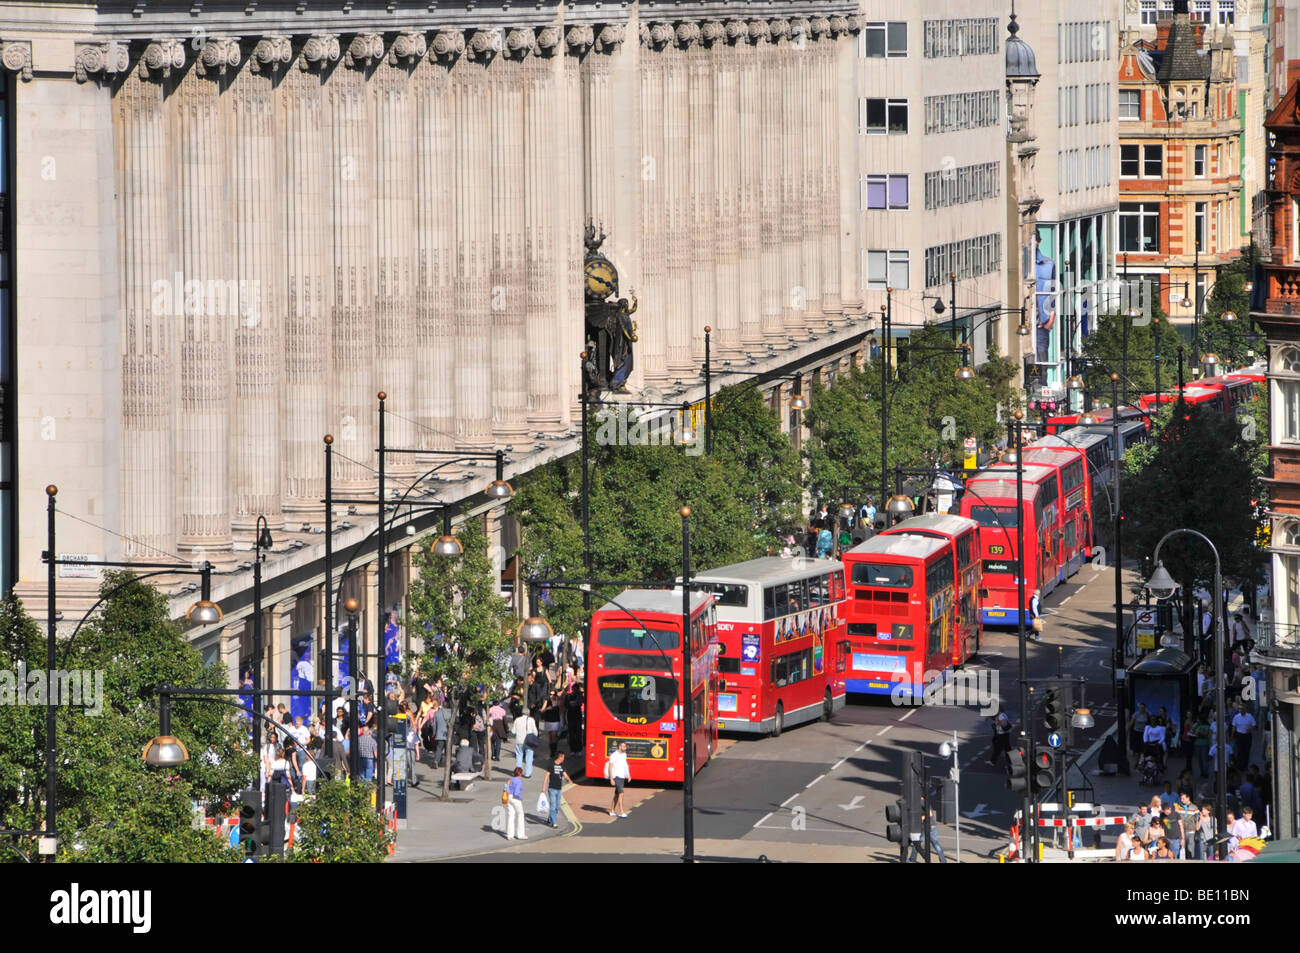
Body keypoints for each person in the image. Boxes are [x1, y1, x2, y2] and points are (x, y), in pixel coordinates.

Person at [544, 752, 572, 829]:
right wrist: (544, 787)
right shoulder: (551, 765)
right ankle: (554, 823)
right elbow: (547, 776)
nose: (564, 759)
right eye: (563, 757)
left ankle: (550, 819)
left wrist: (569, 780)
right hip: (552, 788)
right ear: (560, 757)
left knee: (557, 806)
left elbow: (565, 774)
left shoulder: (561, 766)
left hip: (559, 789)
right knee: (553, 806)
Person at [607, 740, 631, 818]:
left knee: (617, 794)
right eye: (624, 746)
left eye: (625, 746)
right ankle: (621, 811)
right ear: (619, 746)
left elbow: (625, 765)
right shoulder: (613, 755)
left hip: (622, 776)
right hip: (616, 776)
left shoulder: (624, 755)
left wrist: (628, 775)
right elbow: (610, 768)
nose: (625, 748)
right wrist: (611, 779)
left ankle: (612, 810)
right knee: (621, 793)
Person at [1230, 703, 1256, 772]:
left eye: (1241, 709)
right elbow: (1234, 726)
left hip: (1247, 735)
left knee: (1246, 751)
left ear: (1245, 709)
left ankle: (1245, 765)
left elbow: (1253, 725)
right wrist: (1232, 735)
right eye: (1239, 709)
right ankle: (1239, 765)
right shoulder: (1236, 717)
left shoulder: (1249, 716)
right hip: (1239, 735)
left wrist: (1250, 729)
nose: (1240, 710)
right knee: (1239, 750)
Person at [513, 708, 538, 778]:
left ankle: (518, 772)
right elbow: (535, 732)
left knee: (519, 756)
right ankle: (527, 773)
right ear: (528, 713)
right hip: (529, 741)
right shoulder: (531, 720)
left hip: (519, 741)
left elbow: (513, 731)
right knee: (529, 757)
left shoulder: (517, 720)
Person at [504, 767, 526, 840]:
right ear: (520, 773)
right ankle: (521, 834)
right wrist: (520, 798)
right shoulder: (518, 781)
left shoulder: (510, 780)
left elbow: (505, 788)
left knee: (511, 816)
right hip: (515, 798)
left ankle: (510, 835)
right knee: (520, 815)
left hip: (509, 797)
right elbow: (516, 792)